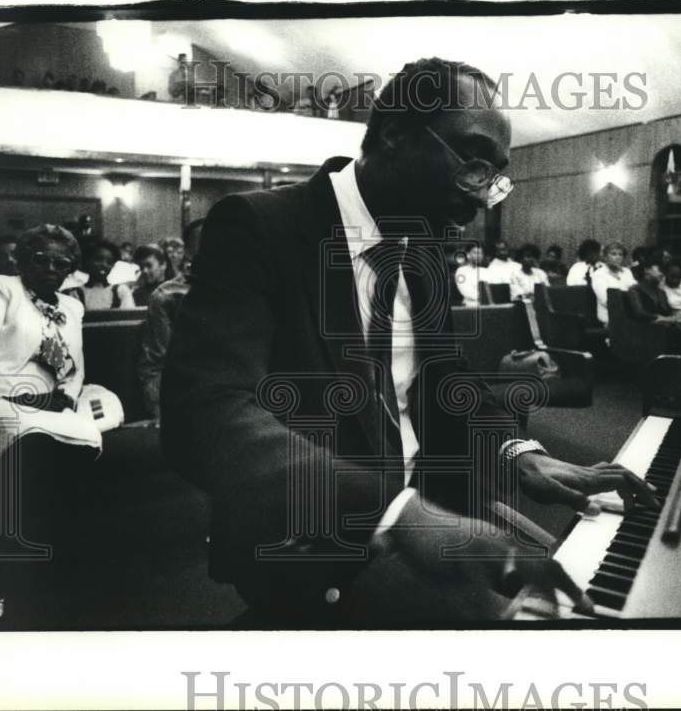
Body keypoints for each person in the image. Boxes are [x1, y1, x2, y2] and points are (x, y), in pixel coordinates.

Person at [161, 57, 656, 626]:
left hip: (428, 525)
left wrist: (519, 454)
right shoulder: (258, 226)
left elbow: (443, 380)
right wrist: (396, 514)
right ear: (393, 135)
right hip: (314, 544)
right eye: (472, 164)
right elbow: (203, 416)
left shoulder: (422, 248)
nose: (480, 199)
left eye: (495, 178)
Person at [0, 224, 102, 624]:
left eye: (61, 261)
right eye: (40, 259)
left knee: (84, 435)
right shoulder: (0, 288)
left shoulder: (72, 306)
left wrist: (67, 392)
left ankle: (23, 551)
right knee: (24, 435)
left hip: (43, 406)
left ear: (72, 268)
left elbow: (74, 366)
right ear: (22, 261)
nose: (51, 267)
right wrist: (19, 392)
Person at [136, 219, 205, 418]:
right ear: (189, 252)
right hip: (183, 388)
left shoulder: (239, 290)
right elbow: (157, 363)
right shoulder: (167, 295)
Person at [74, 239, 136, 310]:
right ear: (88, 261)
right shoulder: (77, 293)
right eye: (98, 260)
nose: (104, 265)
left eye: (109, 262)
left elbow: (128, 317)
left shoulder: (120, 291)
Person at [590, 241, 636, 326]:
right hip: (609, 318)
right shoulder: (599, 274)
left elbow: (636, 292)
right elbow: (606, 301)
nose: (618, 257)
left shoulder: (626, 271)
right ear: (605, 257)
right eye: (613, 254)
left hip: (631, 314)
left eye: (620, 254)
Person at [453, 241, 484, 306]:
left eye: (481, 253)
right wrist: (484, 297)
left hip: (486, 304)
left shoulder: (485, 271)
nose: (479, 256)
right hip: (469, 305)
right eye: (476, 253)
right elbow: (466, 291)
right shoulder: (461, 271)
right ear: (468, 255)